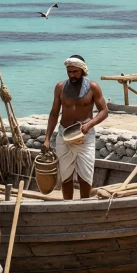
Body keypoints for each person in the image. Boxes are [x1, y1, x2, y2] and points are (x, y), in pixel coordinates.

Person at [43, 55, 108, 199]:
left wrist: (89, 125)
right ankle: (68, 204)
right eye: (69, 72)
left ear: (83, 71)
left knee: (85, 175)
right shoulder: (60, 88)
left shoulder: (93, 87)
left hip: (85, 136)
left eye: (75, 72)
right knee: (65, 174)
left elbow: (104, 111)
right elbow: (54, 113)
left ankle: (84, 204)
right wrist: (47, 138)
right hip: (63, 134)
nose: (71, 75)